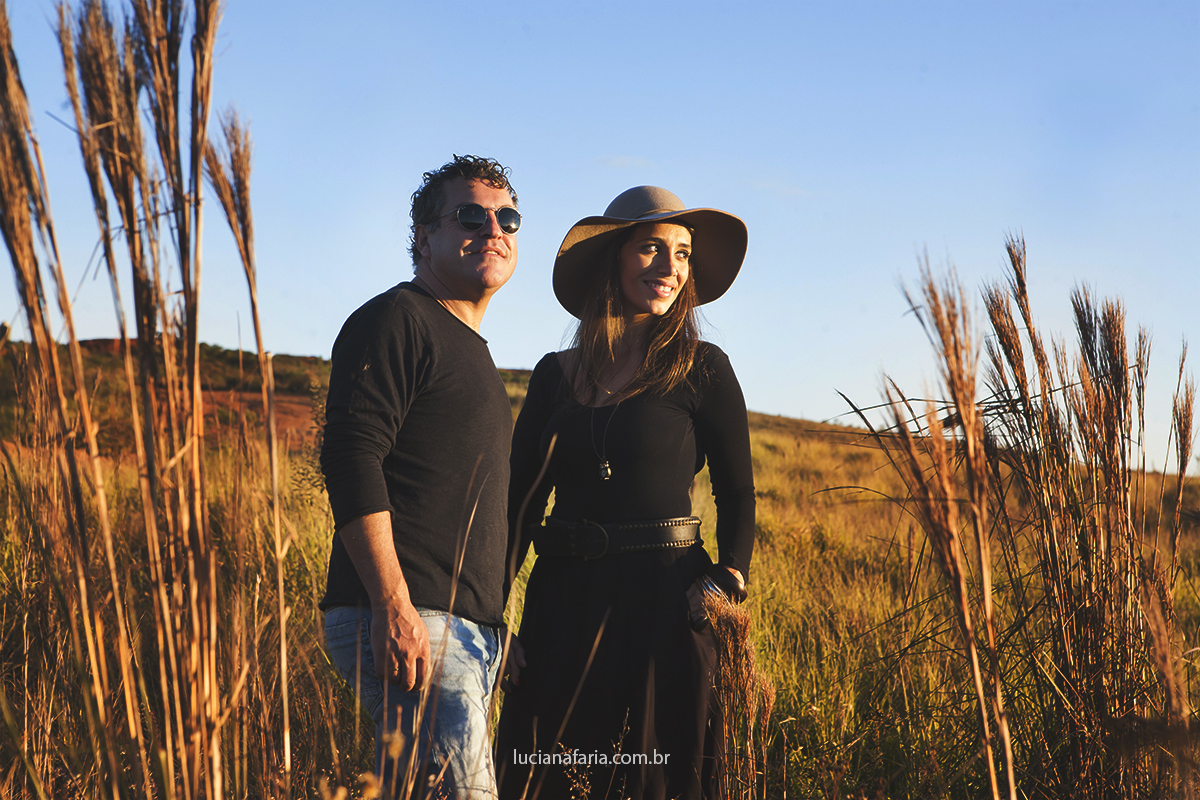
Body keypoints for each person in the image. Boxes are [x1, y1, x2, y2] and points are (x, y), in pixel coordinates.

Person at [495, 186, 755, 800]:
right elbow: (518, 506)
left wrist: (727, 580)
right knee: (550, 776)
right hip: (563, 602)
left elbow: (738, 494)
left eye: (684, 254)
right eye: (652, 249)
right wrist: (492, 619)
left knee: (657, 780)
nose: (671, 269)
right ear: (613, 256)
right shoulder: (553, 375)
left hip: (668, 602)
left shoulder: (703, 367)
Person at [320, 154, 526, 798]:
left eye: (508, 218)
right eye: (469, 214)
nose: (493, 228)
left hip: (460, 627)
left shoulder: (472, 349)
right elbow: (352, 454)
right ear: (424, 237)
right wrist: (392, 604)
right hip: (414, 617)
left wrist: (493, 624)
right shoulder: (397, 320)